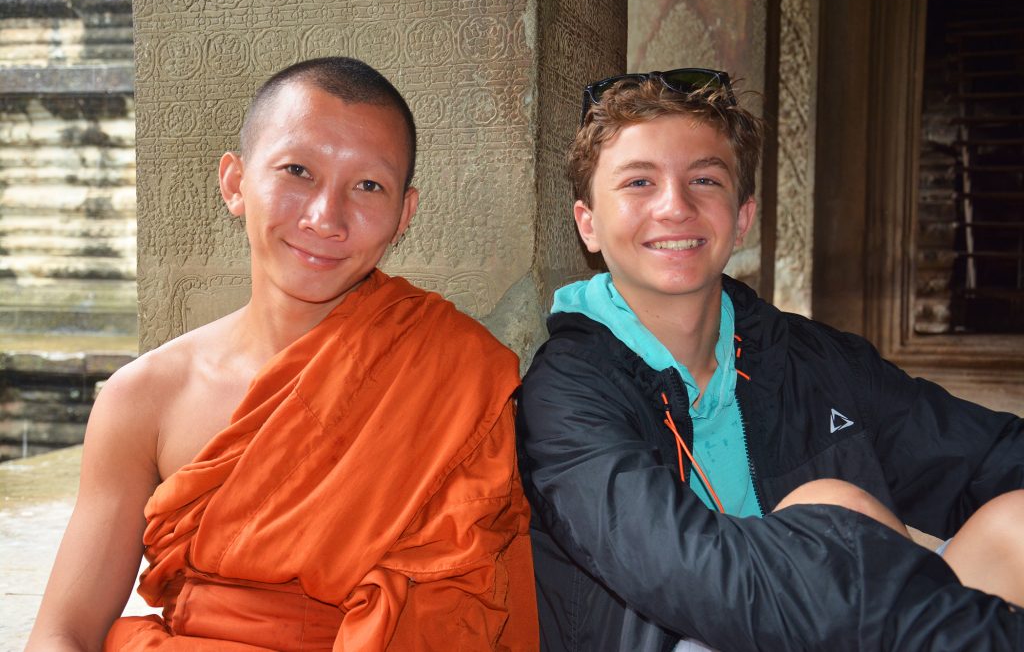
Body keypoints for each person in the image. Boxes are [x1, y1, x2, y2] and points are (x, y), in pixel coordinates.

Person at [27, 57, 538, 652]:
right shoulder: (143, 399)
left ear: (404, 214)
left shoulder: (456, 373)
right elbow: (63, 632)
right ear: (235, 183)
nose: (326, 218)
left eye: (367, 186)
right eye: (298, 170)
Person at [515, 68, 1024, 651]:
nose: (675, 207)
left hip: (864, 622)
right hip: (685, 638)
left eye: (704, 179)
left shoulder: (805, 357)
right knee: (832, 509)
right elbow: (687, 571)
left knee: (1016, 526)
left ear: (742, 217)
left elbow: (981, 454)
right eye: (638, 183)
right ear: (588, 225)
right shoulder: (567, 389)